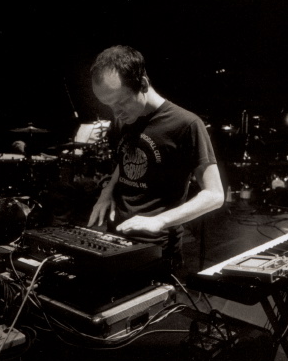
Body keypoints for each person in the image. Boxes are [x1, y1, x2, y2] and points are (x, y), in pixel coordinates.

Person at [87, 45, 225, 272]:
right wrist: (107, 192)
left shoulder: (186, 124)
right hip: (115, 240)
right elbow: (125, 161)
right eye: (109, 106)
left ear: (143, 84)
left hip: (157, 249)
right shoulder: (123, 121)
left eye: (120, 102)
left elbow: (215, 195)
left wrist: (159, 221)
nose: (116, 113)